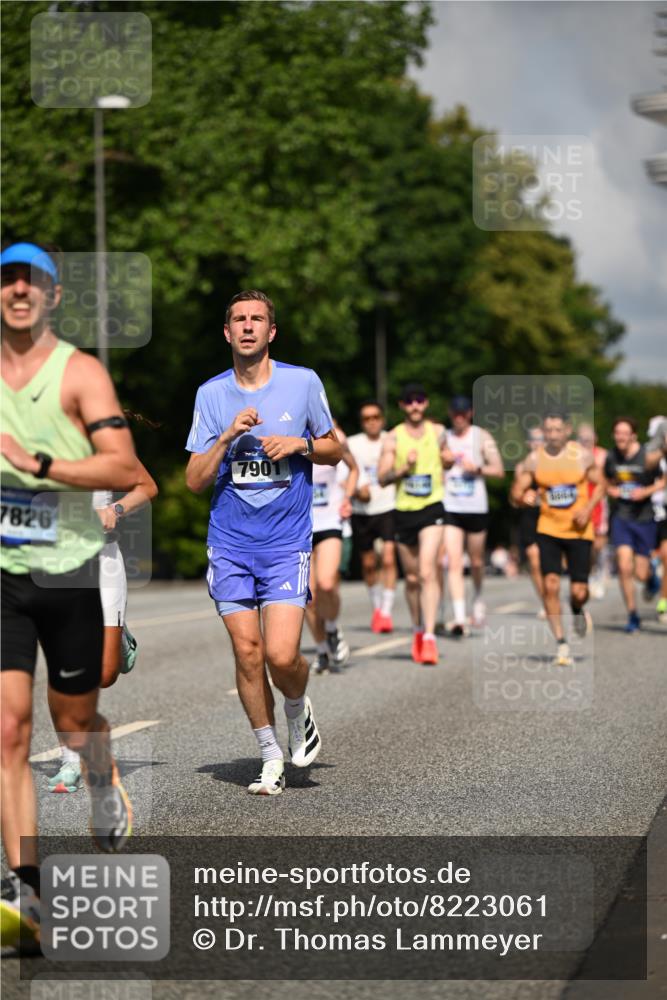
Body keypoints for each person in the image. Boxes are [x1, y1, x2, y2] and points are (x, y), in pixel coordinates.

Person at [1, 242, 140, 950]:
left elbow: (124, 465)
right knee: (8, 730)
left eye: (33, 280)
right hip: (3, 574)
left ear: (53, 296)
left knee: (74, 719)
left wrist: (41, 465)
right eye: (7, 278)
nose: (18, 289)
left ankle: (96, 774)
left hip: (73, 570)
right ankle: (26, 889)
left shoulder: (79, 372)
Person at [185, 290, 342, 797]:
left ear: (271, 332)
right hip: (229, 542)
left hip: (284, 541)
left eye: (257, 319)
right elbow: (192, 480)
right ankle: (270, 754)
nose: (248, 326)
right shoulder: (211, 395)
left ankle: (298, 711)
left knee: (280, 654)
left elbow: (336, 449)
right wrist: (227, 436)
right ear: (227, 333)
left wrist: (300, 444)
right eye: (238, 319)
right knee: (247, 652)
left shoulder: (302, 383)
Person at [47, 467, 158, 794]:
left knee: (106, 674)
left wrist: (115, 510)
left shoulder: (104, 439)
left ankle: (119, 634)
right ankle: (69, 760)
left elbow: (147, 487)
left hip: (104, 559)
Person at [511, 412, 604, 666]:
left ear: (567, 430)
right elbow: (516, 491)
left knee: (579, 591)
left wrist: (588, 508)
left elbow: (602, 484)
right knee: (550, 584)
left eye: (557, 430)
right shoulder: (535, 459)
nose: (552, 435)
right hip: (548, 530)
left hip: (578, 531)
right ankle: (561, 643)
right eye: (548, 430)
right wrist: (522, 497)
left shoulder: (582, 456)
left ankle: (577, 608)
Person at [378, 383, 448, 665]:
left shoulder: (439, 433)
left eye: (419, 400)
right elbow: (382, 477)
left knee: (427, 571)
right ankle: (418, 629)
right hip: (404, 510)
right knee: (412, 578)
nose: (415, 405)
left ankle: (430, 637)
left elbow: (449, 461)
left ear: (426, 403)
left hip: (433, 507)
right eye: (409, 401)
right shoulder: (392, 438)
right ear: (402, 406)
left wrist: (451, 461)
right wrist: (403, 469)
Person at [441, 395, 504, 634]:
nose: (460, 417)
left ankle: (477, 598)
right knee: (454, 561)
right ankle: (459, 617)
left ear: (471, 413)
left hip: (476, 507)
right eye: (456, 413)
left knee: (476, 561)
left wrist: (477, 468)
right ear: (450, 414)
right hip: (451, 506)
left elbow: (498, 470)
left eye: (464, 413)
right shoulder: (443, 437)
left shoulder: (481, 436)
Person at [603, 417, 663, 633]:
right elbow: (606, 481)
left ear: (633, 436)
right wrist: (612, 490)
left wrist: (644, 492)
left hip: (645, 518)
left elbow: (663, 481)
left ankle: (651, 579)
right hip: (622, 517)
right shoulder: (611, 457)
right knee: (624, 566)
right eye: (617, 433)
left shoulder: (646, 456)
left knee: (640, 572)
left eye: (624, 433)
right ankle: (632, 614)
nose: (620, 437)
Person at [307, 424, 358, 674]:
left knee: (327, 583)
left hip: (329, 522)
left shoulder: (335, 433)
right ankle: (321, 651)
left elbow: (354, 468)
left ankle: (332, 629)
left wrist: (347, 497)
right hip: (299, 526)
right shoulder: (288, 429)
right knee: (308, 596)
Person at [348, 400, 397, 633]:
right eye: (367, 418)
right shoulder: (353, 443)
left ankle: (386, 612)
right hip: (361, 509)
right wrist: (357, 490)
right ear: (362, 422)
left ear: (382, 419)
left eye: (375, 417)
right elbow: (346, 472)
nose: (372, 422)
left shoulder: (392, 440)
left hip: (388, 505)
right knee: (368, 564)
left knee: (388, 558)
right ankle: (377, 607)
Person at [511, 426, 545, 616]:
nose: (538, 443)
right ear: (528, 443)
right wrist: (522, 498)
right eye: (534, 439)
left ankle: (554, 595)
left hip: (553, 518)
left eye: (541, 439)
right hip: (530, 517)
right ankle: (546, 603)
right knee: (534, 561)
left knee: (550, 564)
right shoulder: (521, 467)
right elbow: (514, 499)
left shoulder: (557, 464)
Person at [577, 423, 610, 600]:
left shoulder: (603, 455)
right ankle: (589, 576)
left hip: (598, 503)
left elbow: (608, 478)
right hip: (580, 503)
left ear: (595, 439)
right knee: (585, 545)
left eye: (588, 439)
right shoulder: (573, 456)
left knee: (598, 543)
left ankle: (600, 570)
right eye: (582, 440)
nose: (586, 443)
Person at [646, 417, 667, 624]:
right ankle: (651, 578)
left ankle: (664, 600)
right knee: (641, 565)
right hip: (648, 509)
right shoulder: (650, 452)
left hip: (665, 511)